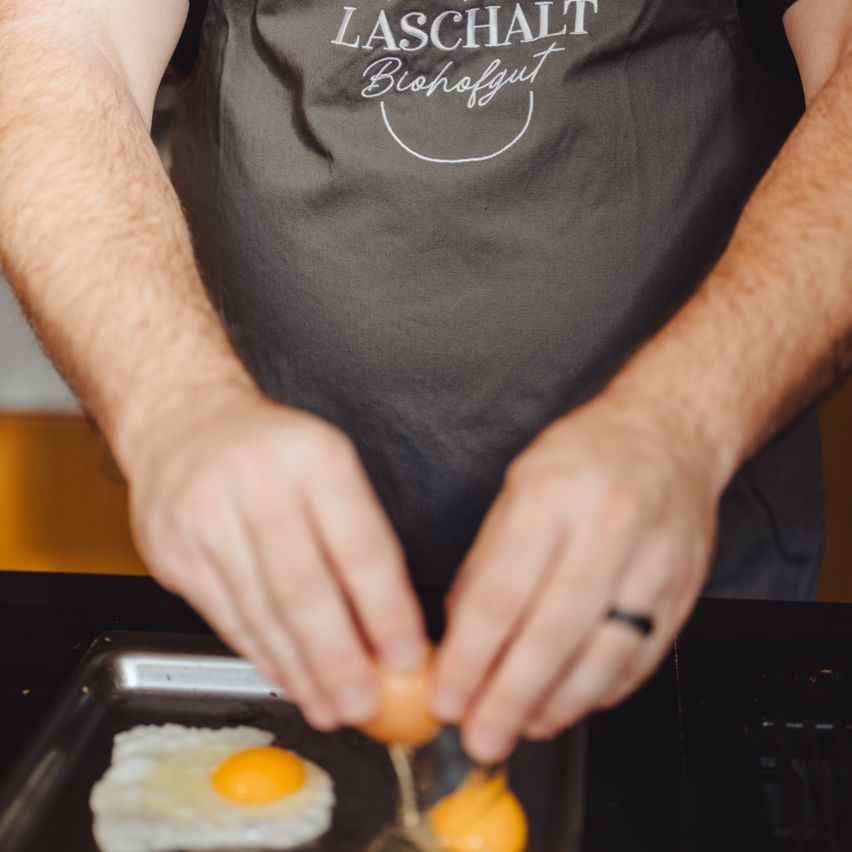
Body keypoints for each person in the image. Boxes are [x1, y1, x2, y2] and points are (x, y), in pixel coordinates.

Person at [1, 0, 850, 765]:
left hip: (678, 553)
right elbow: (60, 38)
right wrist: (174, 405)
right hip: (267, 559)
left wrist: (686, 423)